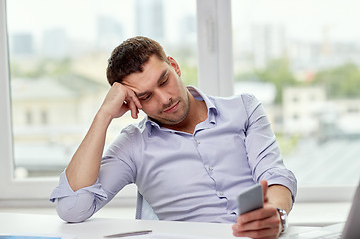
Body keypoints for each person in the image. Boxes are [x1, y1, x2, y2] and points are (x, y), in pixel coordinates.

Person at [50, 36, 297, 239]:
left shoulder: (244, 108)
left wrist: (276, 214)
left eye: (164, 80)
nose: (164, 98)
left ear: (175, 66)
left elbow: (274, 175)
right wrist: (104, 115)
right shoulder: (134, 146)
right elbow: (72, 208)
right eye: (146, 96)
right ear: (131, 102)